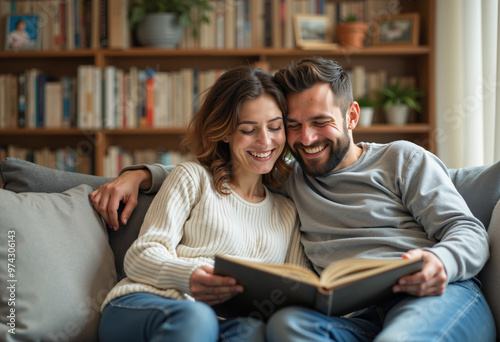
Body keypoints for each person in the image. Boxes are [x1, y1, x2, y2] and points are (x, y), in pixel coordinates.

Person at [91, 57, 496, 341]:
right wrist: (141, 175)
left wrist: (441, 262)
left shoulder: (402, 159)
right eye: (294, 126)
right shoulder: (291, 180)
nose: (305, 139)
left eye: (321, 123)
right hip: (355, 318)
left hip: (429, 294)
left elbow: (467, 231)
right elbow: (223, 175)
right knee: (285, 327)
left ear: (351, 116)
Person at [95, 65, 307, 342]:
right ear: (225, 132)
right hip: (149, 305)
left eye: (275, 127)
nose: (265, 141)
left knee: (253, 332)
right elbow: (141, 255)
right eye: (248, 129)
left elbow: (295, 288)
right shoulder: (192, 178)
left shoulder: (287, 211)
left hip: (225, 324)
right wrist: (190, 276)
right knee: (197, 317)